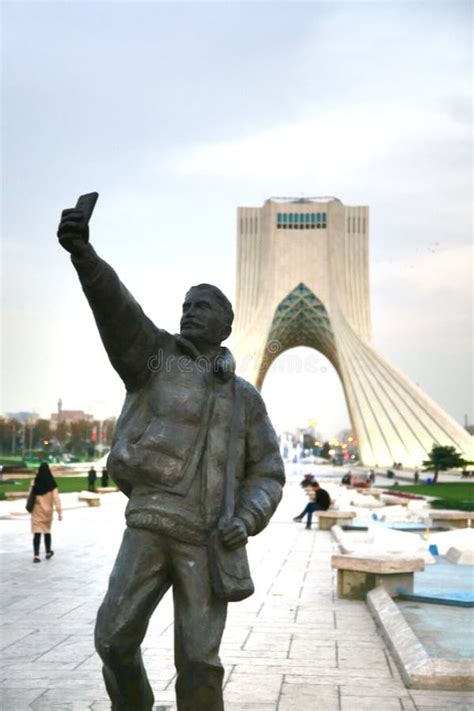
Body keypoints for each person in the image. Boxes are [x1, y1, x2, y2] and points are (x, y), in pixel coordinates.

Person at [57, 203, 285, 711]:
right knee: (113, 639)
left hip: (206, 542)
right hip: (150, 525)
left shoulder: (244, 399)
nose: (188, 312)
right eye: (186, 304)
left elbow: (268, 471)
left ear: (225, 325)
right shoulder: (153, 359)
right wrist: (85, 257)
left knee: (201, 664)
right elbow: (118, 312)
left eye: (202, 306)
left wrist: (246, 518)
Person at [29, 462, 62, 563]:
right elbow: (56, 499)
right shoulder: (52, 483)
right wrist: (59, 512)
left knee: (37, 532)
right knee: (47, 531)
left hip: (36, 510)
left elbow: (30, 495)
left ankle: (36, 555)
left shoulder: (35, 481)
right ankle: (48, 551)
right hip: (48, 511)